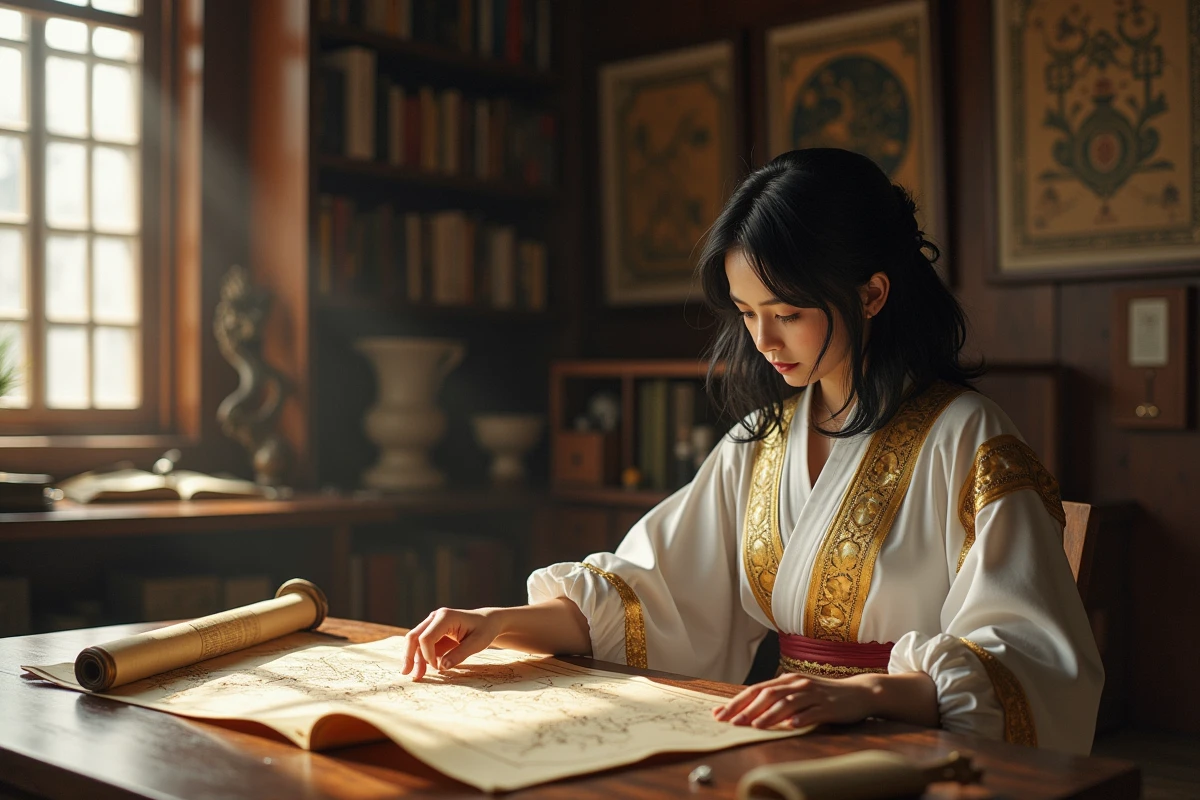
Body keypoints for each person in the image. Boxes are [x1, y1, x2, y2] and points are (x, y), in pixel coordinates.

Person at [400, 148, 1103, 755]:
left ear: (872, 294)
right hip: (780, 733)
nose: (764, 342)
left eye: (787, 314)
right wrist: (496, 623)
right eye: (747, 314)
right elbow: (658, 595)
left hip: (913, 746)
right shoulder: (759, 442)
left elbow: (1030, 662)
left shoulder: (969, 437)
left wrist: (863, 695)